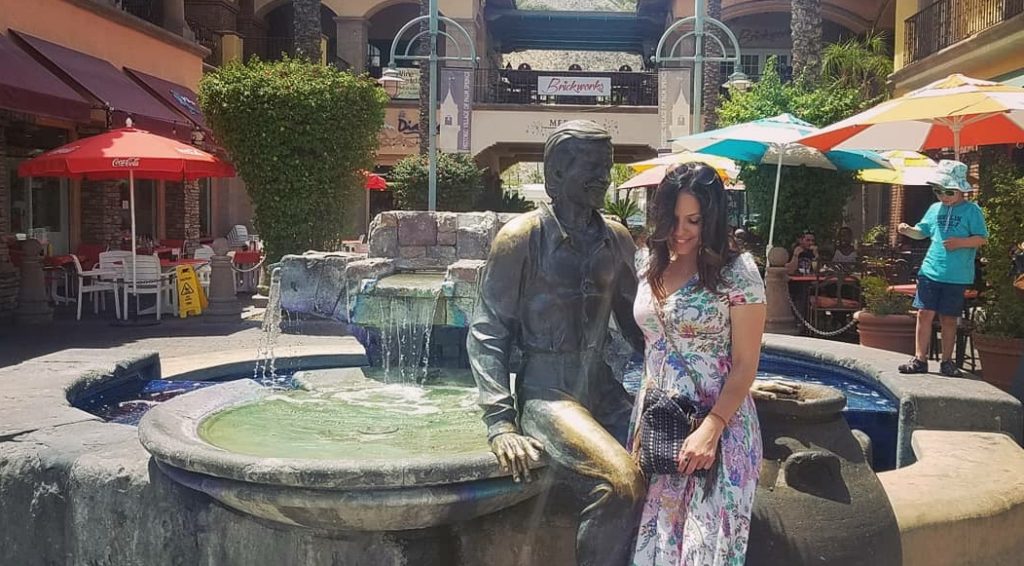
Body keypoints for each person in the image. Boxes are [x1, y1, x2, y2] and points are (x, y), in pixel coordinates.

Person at [467, 120, 646, 566]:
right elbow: (487, 330)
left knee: (676, 460)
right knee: (622, 483)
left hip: (601, 387)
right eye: (592, 167)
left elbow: (642, 329)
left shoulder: (616, 237)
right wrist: (501, 423)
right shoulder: (521, 238)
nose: (604, 177)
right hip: (547, 393)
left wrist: (707, 382)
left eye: (606, 166)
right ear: (557, 174)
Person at [630, 163, 766, 565]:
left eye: (694, 220)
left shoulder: (738, 273)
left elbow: (745, 364)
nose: (681, 230)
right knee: (654, 548)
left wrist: (712, 429)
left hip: (717, 429)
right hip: (658, 424)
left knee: (702, 552)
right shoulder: (647, 264)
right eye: (672, 219)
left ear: (713, 218)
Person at [897, 160, 988, 377]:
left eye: (948, 192)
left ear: (961, 190)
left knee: (948, 318)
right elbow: (923, 232)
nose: (943, 196)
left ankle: (947, 361)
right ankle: (920, 358)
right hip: (931, 270)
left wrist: (960, 243)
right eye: (938, 191)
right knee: (924, 313)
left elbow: (981, 238)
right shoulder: (934, 209)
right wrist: (909, 230)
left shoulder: (971, 210)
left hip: (957, 275)